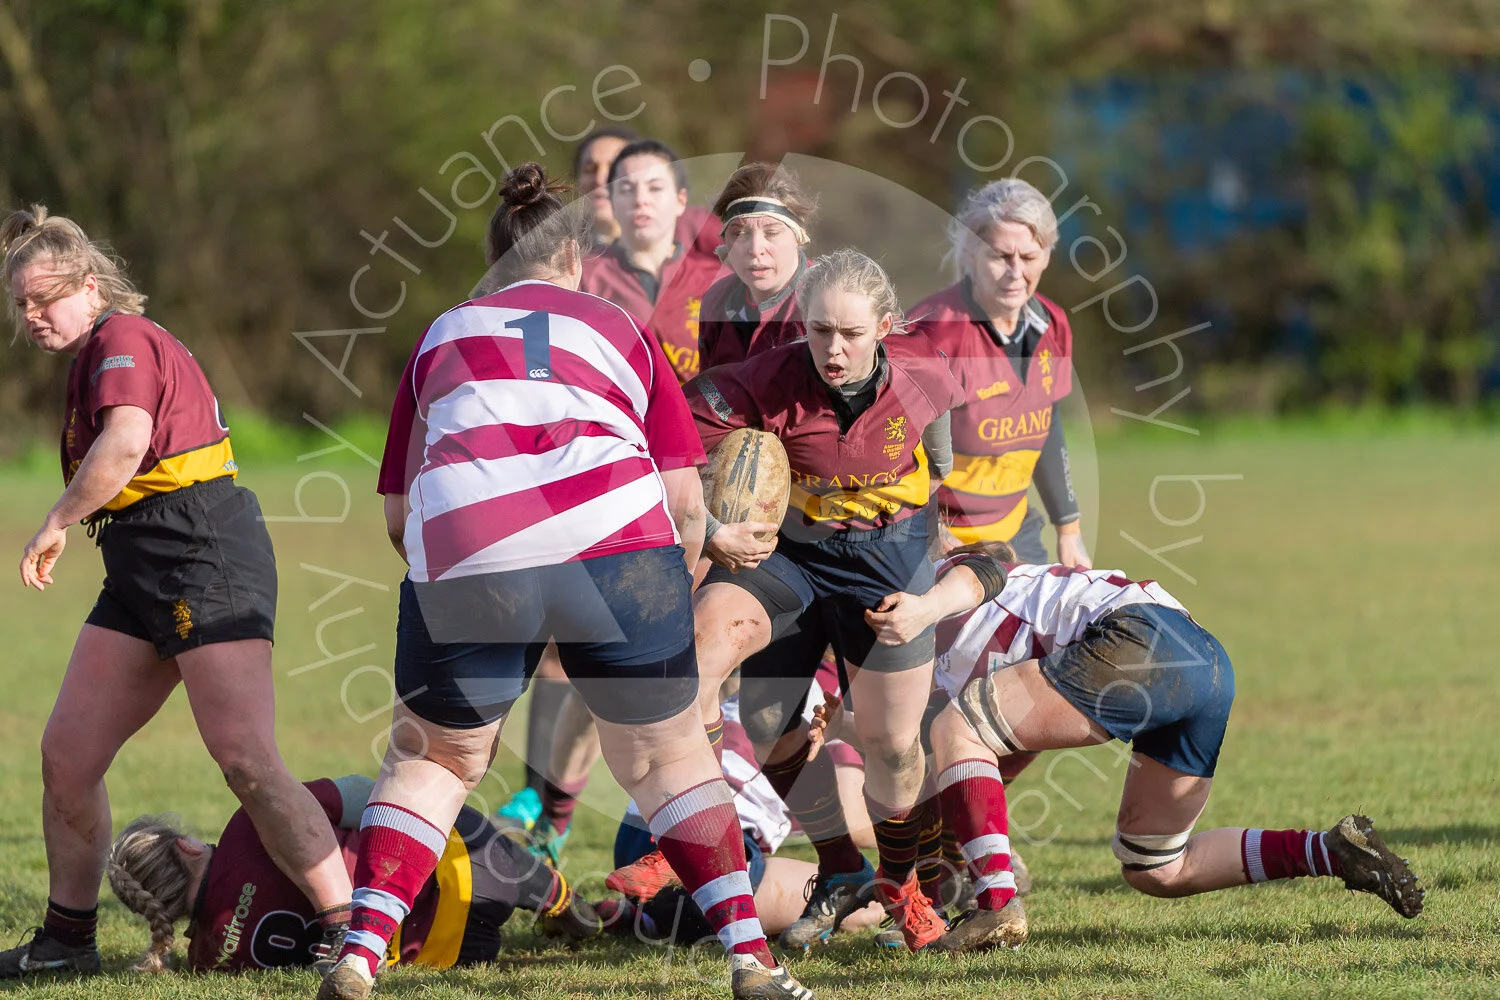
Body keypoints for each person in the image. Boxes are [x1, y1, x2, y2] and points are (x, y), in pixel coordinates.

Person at [320, 164, 810, 1000]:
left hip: (470, 554)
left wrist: (461, 583)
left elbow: (401, 518)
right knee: (666, 761)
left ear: (494, 263)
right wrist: (670, 583)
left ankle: (360, 955)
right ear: (578, 258)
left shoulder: (441, 336)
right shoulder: (623, 330)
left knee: (434, 760)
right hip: (618, 550)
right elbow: (687, 503)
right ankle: (749, 959)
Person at [0, 206, 352, 979]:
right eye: (20, 304)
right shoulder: (94, 347)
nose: (31, 316)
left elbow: (125, 442)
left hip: (199, 545)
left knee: (245, 759)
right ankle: (66, 941)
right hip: (140, 556)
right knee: (67, 753)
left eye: (44, 298)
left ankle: (348, 931)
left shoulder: (120, 338)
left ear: (90, 287)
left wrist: (55, 521)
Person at [840, 541, 1425, 952]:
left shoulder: (942, 580)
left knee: (958, 730)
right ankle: (1332, 851)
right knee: (1155, 865)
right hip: (1205, 661)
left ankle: (997, 904)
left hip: (1136, 635)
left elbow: (983, 567)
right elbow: (971, 774)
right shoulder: (926, 664)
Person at [672, 248, 967, 953]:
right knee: (747, 697)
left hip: (887, 558)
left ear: (885, 327)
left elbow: (946, 436)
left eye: (851, 334)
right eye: (819, 330)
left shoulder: (924, 372)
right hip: (792, 555)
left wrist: (944, 506)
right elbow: (674, 432)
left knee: (893, 746)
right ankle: (834, 867)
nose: (833, 350)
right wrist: (712, 529)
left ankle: (899, 886)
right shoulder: (765, 377)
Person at [106, 776, 600, 974]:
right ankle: (564, 903)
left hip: (445, 955)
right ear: (188, 848)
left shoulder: (205, 962)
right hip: (461, 877)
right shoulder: (249, 824)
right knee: (431, 807)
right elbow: (370, 793)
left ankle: (537, 870)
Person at [910, 178, 1089, 567]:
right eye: (1000, 256)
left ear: (1046, 256)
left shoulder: (1053, 324)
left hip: (1014, 530)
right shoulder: (931, 333)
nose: (1014, 272)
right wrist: (931, 534)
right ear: (970, 254)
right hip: (934, 537)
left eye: (1028, 257)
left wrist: (1069, 530)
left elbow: (1049, 424)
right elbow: (891, 449)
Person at [580, 138, 724, 383]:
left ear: (681, 200)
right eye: (626, 189)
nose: (640, 200)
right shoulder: (581, 280)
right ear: (612, 202)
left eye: (655, 188)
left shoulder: (722, 281)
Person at [695, 162, 815, 371]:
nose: (755, 249)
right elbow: (706, 394)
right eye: (740, 233)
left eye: (772, 233)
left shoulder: (830, 300)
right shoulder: (716, 301)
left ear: (799, 235)